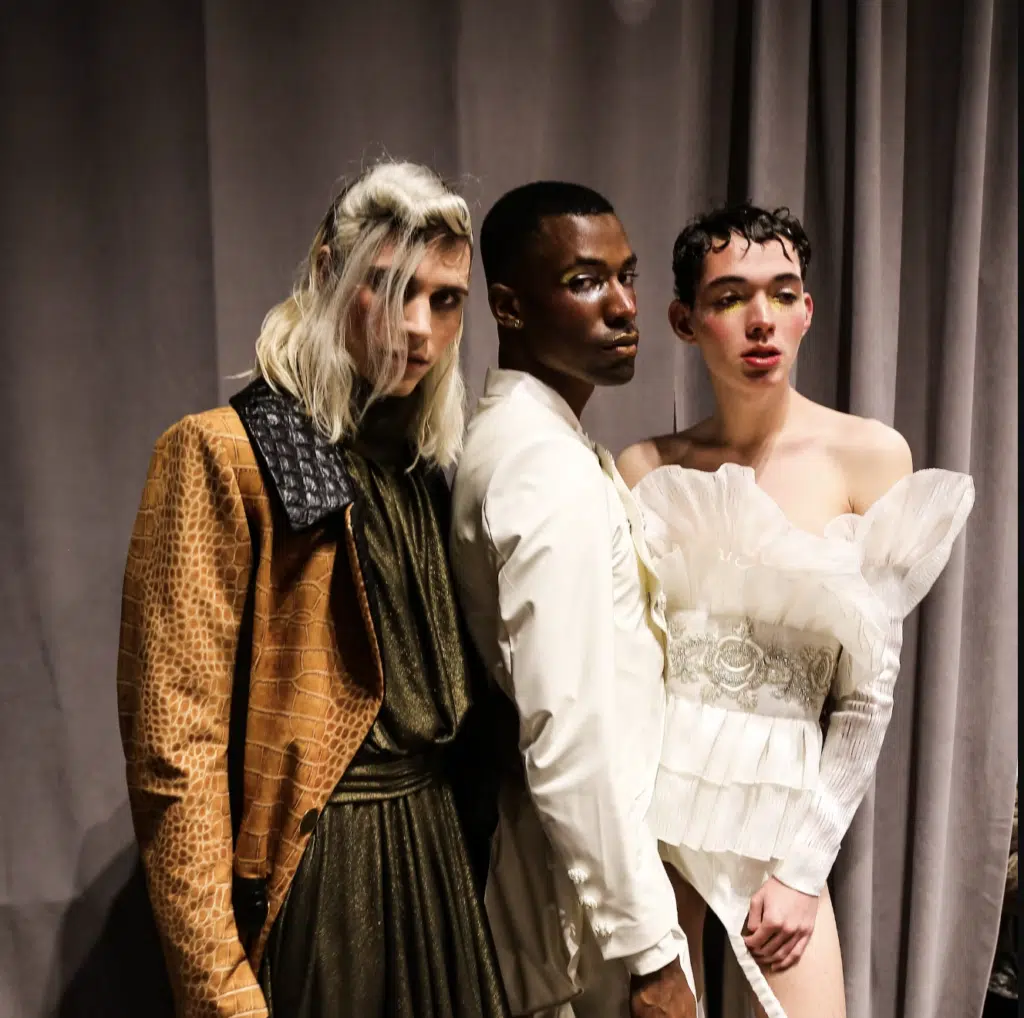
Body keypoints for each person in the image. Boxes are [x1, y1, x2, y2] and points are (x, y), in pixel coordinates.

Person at [116, 159, 512, 1018]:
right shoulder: (226, 456)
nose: (419, 328)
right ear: (329, 272)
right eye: (391, 286)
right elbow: (171, 751)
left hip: (439, 864)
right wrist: (218, 990)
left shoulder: (425, 472)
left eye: (445, 299)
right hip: (320, 880)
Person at [617, 202, 975, 1018]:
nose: (761, 320)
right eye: (729, 297)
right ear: (684, 319)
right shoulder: (647, 468)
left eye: (783, 294)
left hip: (781, 816)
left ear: (808, 310)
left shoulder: (869, 455)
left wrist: (803, 869)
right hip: (650, 816)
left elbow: (867, 693)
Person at [450, 181, 698, 1018]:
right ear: (510, 306)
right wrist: (650, 952)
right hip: (581, 928)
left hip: (581, 898)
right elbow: (568, 727)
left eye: (628, 276)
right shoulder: (538, 463)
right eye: (587, 282)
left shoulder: (544, 441)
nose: (625, 306)